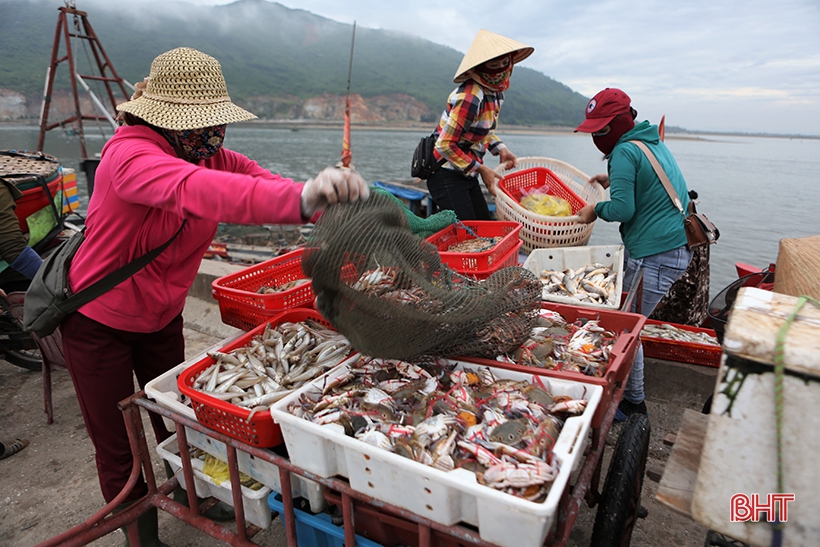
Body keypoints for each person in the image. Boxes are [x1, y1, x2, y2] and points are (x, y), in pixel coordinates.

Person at [59, 47, 369, 546]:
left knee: (177, 423)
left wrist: (325, 201)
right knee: (120, 445)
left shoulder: (206, 151)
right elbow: (198, 190)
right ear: (164, 118)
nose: (212, 134)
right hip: (99, 322)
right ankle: (142, 538)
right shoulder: (130, 156)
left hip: (163, 317)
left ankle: (187, 495)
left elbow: (255, 180)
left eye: (215, 122)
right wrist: (298, 199)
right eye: (200, 122)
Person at [575, 88, 693, 422]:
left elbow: (625, 209)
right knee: (628, 325)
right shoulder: (650, 141)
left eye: (601, 130)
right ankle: (629, 397)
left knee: (625, 329)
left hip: (655, 254)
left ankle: (633, 405)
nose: (598, 136)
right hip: (674, 246)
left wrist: (595, 209)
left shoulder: (624, 151)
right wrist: (612, 180)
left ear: (618, 124)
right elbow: (648, 179)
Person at [425, 29, 533, 220]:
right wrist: (482, 170)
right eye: (493, 65)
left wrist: (500, 149)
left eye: (504, 63)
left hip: (467, 171)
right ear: (480, 68)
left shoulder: (495, 93)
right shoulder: (470, 97)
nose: (500, 70)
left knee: (483, 223)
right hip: (445, 171)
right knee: (469, 233)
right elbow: (444, 145)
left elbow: (481, 130)